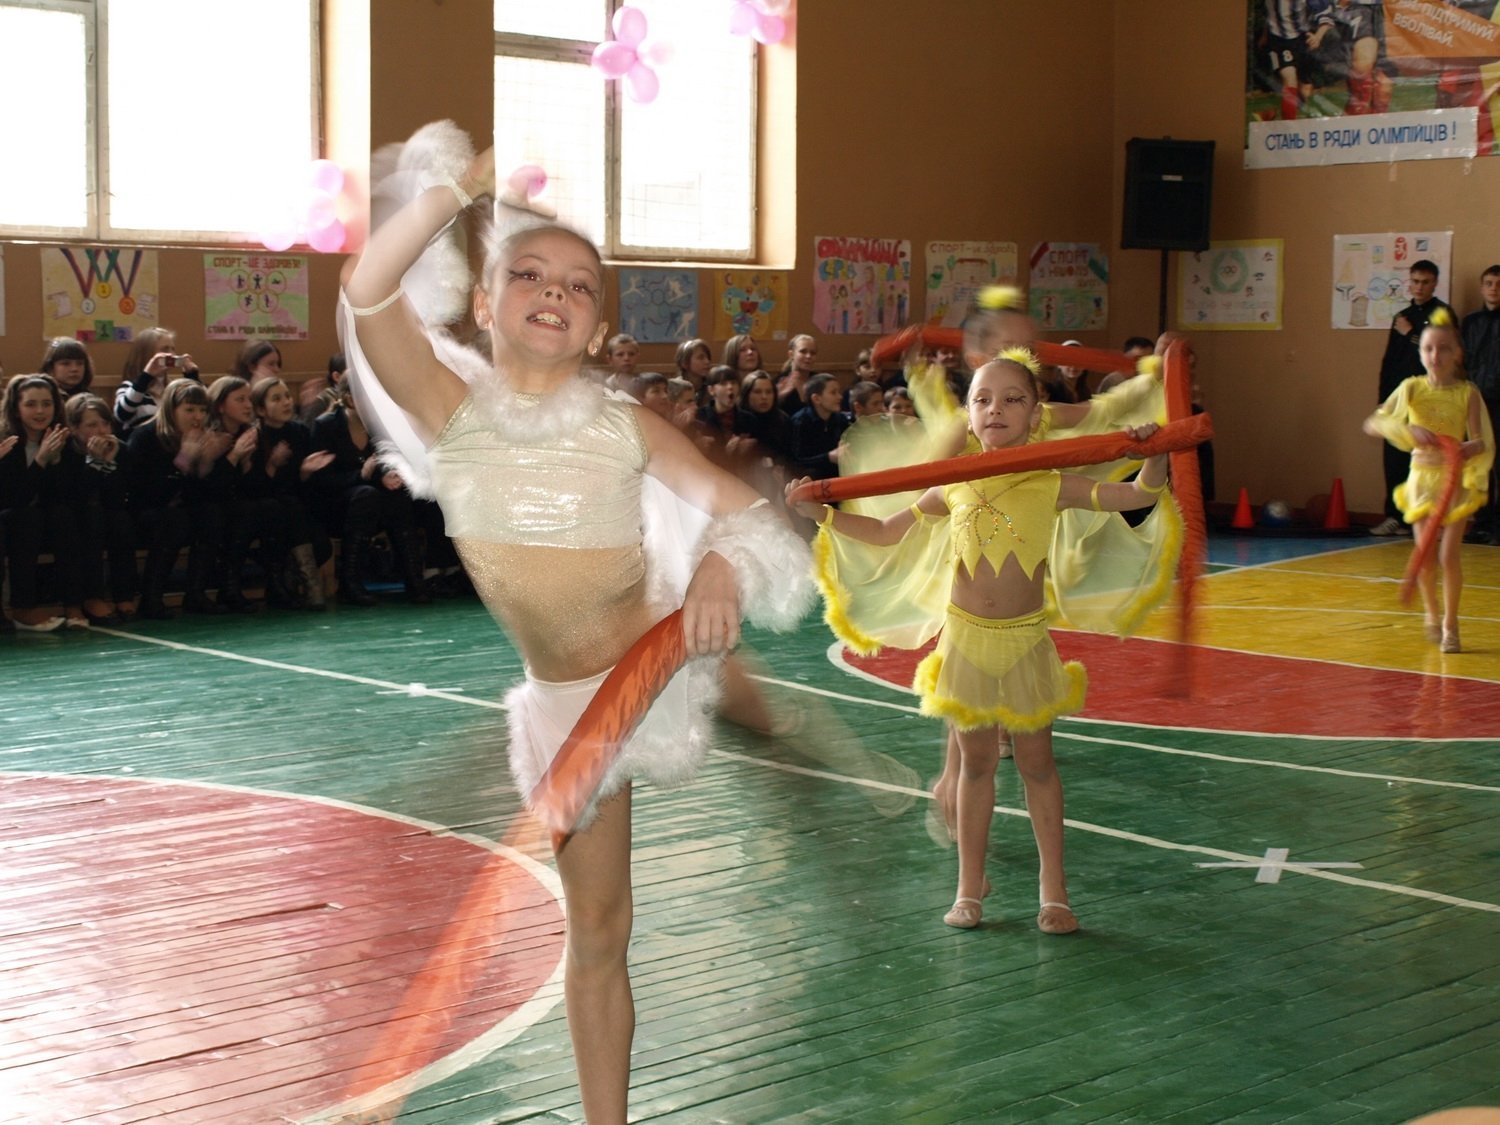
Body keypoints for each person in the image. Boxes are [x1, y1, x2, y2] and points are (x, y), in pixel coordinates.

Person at [339, 124, 811, 1123]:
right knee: (598, 928)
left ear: (598, 331)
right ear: (483, 305)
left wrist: (721, 563)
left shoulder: (625, 426)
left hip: (642, 665)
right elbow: (368, 291)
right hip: (565, 705)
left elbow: (746, 514)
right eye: (528, 275)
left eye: (579, 286)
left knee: (701, 638)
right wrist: (451, 193)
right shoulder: (447, 410)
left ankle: (726, 677)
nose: (553, 291)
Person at [789, 350, 1171, 934]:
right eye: (982, 400)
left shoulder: (1051, 483)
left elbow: (1138, 497)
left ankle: (1054, 889)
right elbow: (886, 532)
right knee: (975, 767)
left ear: (1035, 414)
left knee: (1038, 767)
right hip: (965, 642)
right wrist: (823, 515)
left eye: (1013, 400)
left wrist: (1155, 453)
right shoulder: (951, 484)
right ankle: (969, 887)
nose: (996, 410)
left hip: (1026, 643)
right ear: (967, 414)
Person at [1364, 313, 1494, 652]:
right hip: (1421, 482)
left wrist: (1470, 447)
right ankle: (1431, 615)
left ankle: (1451, 623)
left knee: (1449, 556)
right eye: (1428, 349)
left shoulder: (1468, 393)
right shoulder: (1411, 388)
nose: (1435, 356)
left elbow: (1481, 439)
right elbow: (1374, 423)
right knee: (1426, 556)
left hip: (1455, 482)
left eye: (1444, 348)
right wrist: (1407, 429)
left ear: (1457, 354)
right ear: (1420, 352)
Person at [125, 378, 231, 617]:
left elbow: (204, 495)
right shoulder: (145, 436)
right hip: (144, 513)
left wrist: (205, 463)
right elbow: (148, 493)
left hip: (180, 512)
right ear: (171, 410)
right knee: (175, 521)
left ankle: (196, 594)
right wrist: (183, 460)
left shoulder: (202, 437)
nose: (197, 417)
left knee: (212, 515)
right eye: (189, 410)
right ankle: (151, 598)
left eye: (202, 410)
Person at [1373, 260, 1454, 536]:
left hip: (1429, 398)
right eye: (1415, 281)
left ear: (1435, 284)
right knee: (1394, 457)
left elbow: (1441, 353)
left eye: (1425, 282)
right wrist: (1383, 398)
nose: (1419, 287)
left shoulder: (1443, 313)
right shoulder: (1401, 316)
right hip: (1400, 397)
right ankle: (1396, 516)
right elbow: (1389, 360)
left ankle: (1426, 517)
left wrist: (1411, 334)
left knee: (1426, 460)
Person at [0, 374, 70, 631]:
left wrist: (55, 462)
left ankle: (73, 603)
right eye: (31, 404)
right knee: (23, 518)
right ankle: (18, 608)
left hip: (38, 521)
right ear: (16, 409)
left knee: (63, 517)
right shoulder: (7, 442)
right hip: (11, 517)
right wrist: (40, 461)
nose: (40, 411)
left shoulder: (62, 438)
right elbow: (14, 499)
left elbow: (62, 496)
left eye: (46, 404)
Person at [59, 393, 138, 623]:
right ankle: (92, 596)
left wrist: (109, 463)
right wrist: (94, 463)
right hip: (74, 515)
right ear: (74, 428)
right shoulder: (66, 451)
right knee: (92, 519)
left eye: (105, 423)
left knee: (120, 521)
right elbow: (77, 497)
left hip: (107, 513)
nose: (101, 430)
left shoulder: (120, 449)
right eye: (92, 425)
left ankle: (124, 595)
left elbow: (116, 499)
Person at [1460, 264, 1500, 543]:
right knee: (1479, 463)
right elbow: (1461, 359)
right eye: (1489, 283)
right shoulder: (1471, 322)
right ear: (1481, 287)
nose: (1494, 289)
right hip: (1476, 401)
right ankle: (1482, 523)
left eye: (1498, 284)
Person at [114, 327, 201, 431]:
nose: (172, 354)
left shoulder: (174, 387)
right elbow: (122, 415)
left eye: (173, 349)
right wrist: (146, 377)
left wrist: (192, 377)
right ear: (147, 354)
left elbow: (202, 408)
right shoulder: (130, 387)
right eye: (165, 349)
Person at [789, 372, 850, 481]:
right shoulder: (800, 422)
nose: (840, 397)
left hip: (836, 475)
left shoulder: (840, 419)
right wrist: (828, 457)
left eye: (838, 392)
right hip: (810, 477)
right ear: (816, 398)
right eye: (833, 393)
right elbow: (796, 461)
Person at [777, 333, 818, 413]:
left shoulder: (821, 381)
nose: (808, 356)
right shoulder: (780, 381)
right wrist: (779, 397)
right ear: (791, 354)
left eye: (813, 353)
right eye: (803, 351)